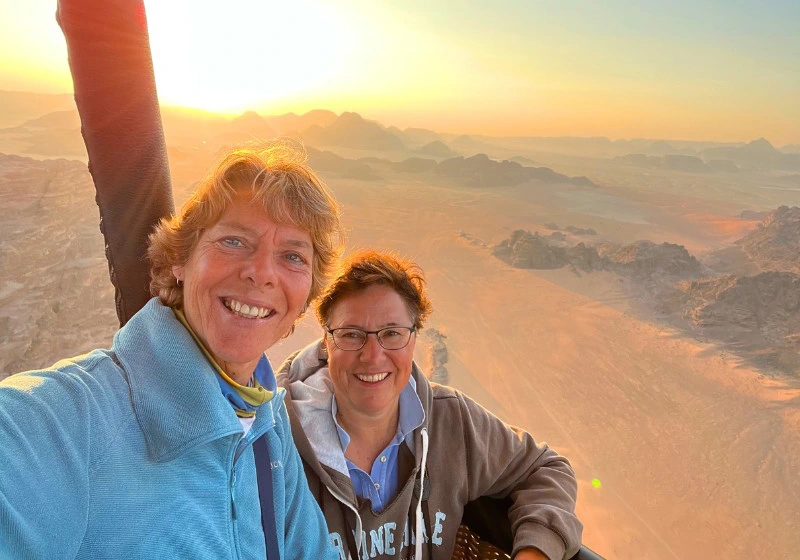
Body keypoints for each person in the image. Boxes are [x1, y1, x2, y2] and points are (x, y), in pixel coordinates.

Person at [0, 143, 342, 559]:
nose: (261, 273)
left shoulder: (266, 422)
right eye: (234, 241)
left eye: (292, 256)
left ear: (305, 298)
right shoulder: (66, 419)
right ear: (180, 259)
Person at [277, 250, 583, 560]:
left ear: (413, 339)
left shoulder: (449, 419)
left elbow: (544, 468)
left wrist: (535, 552)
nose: (372, 355)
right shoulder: (278, 445)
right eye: (351, 335)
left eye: (392, 333)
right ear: (326, 343)